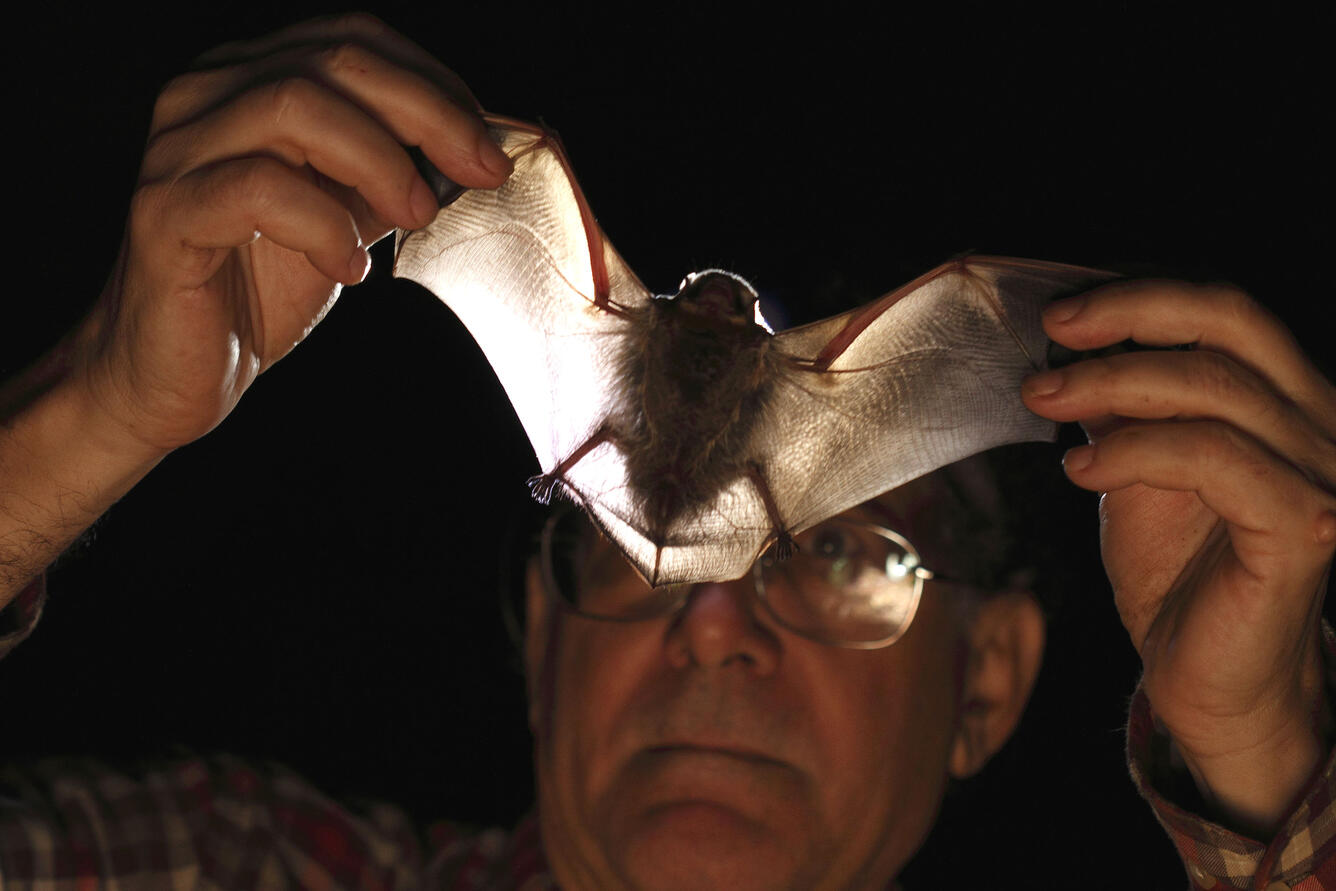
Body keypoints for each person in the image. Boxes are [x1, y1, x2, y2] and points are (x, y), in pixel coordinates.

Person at [1, 14, 1333, 890]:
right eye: (621, 537)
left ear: (988, 683)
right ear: (535, 634)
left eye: (849, 558)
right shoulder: (239, 866)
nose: (710, 627)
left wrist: (1255, 746)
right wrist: (82, 432)